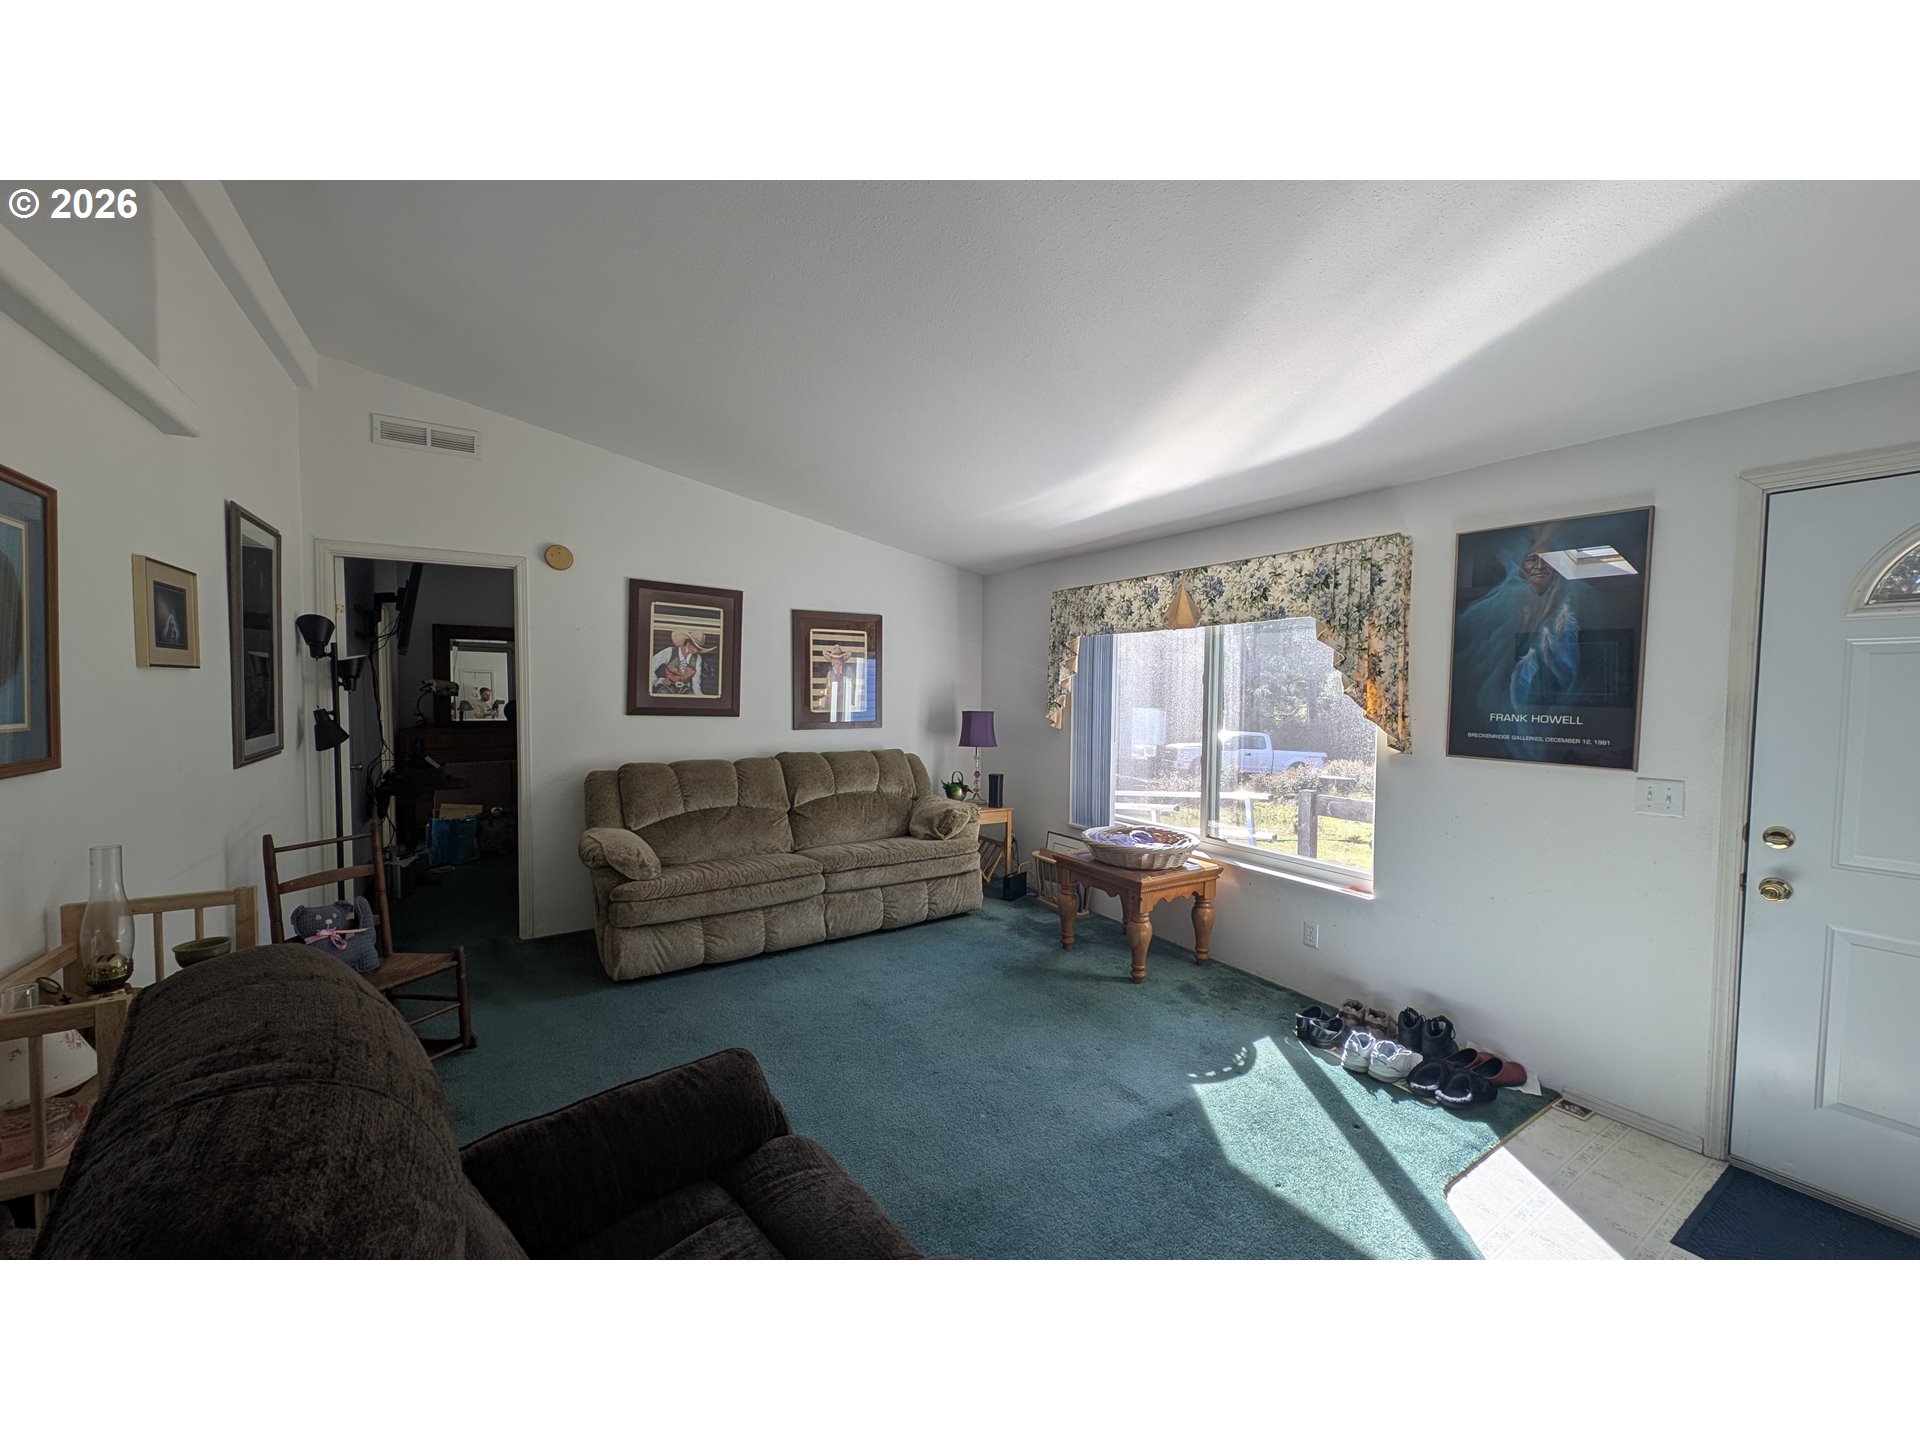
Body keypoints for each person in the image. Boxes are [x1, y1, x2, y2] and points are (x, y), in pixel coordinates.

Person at [651, 629, 719, 696]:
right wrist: (659, 680)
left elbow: (696, 682)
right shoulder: (670, 651)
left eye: (698, 648)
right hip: (667, 688)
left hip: (685, 690)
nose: (695, 650)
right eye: (694, 646)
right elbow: (650, 665)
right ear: (688, 643)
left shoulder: (697, 658)